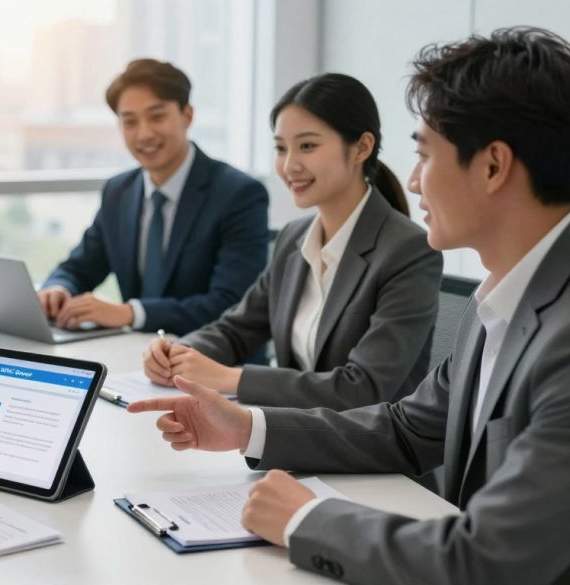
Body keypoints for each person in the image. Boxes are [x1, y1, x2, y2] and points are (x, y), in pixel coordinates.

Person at [129, 27, 570, 584]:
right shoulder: (499, 305)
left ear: (493, 165)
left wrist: (309, 519)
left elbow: (492, 557)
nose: (412, 180)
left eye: (425, 154)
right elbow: (406, 429)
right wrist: (245, 428)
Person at [142, 74, 442, 409]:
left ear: (361, 148)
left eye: (308, 146)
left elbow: (364, 388)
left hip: (366, 453)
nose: (289, 165)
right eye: (281, 148)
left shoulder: (408, 250)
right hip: (290, 437)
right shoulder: (294, 238)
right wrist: (179, 351)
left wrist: (230, 379)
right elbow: (236, 329)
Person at [38, 58, 269, 337]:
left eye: (157, 116)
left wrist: (130, 313)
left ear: (187, 115)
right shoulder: (118, 192)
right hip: (136, 359)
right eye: (130, 122)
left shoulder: (239, 194)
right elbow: (80, 266)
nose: (144, 133)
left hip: (214, 362)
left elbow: (230, 304)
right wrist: (58, 288)